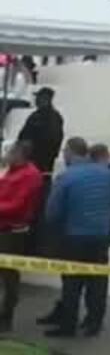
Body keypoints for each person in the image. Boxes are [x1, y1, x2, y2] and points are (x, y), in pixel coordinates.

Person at [40, 138, 110, 338]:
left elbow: (52, 212)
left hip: (74, 237)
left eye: (64, 151)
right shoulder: (108, 175)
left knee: (72, 284)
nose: (62, 155)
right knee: (98, 283)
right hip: (101, 236)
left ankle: (68, 325)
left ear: (71, 152)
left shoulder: (66, 177)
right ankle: (94, 323)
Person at [0, 141, 45, 331]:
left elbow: (17, 205)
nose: (6, 156)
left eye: (9, 152)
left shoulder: (30, 175)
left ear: (20, 154)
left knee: (9, 276)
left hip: (13, 232)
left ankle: (5, 319)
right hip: (4, 227)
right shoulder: (9, 170)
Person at [19, 88, 63, 175]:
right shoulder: (56, 116)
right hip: (47, 160)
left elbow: (26, 137)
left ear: (45, 99)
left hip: (35, 158)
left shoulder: (38, 117)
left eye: (38, 97)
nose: (36, 100)